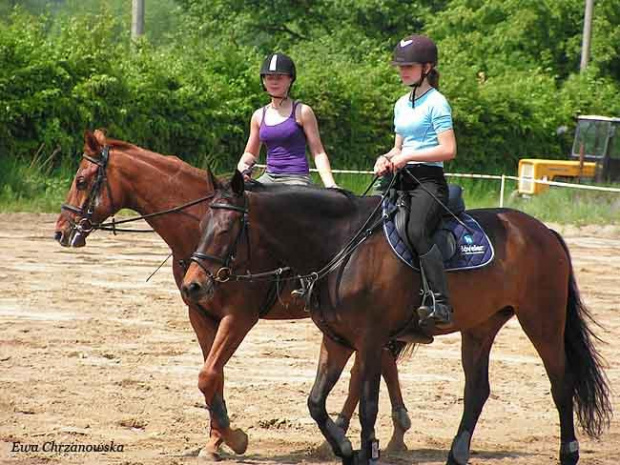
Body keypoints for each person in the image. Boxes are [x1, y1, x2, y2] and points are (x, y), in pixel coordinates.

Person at [374, 34, 457, 326]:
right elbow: (398, 146)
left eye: (409, 67)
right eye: (400, 67)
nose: (403, 71)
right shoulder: (401, 103)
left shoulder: (437, 103)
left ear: (427, 67)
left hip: (428, 182)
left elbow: (448, 149)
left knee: (417, 231)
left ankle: (440, 302)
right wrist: (385, 158)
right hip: (401, 178)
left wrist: (409, 157)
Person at [236, 53, 338, 188]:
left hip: (296, 178)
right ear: (264, 81)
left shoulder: (302, 111)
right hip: (269, 177)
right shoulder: (258, 115)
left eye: (279, 77)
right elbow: (250, 153)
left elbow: (318, 152)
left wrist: (331, 184)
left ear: (290, 80)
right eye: (269, 77)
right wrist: (241, 169)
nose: (274, 82)